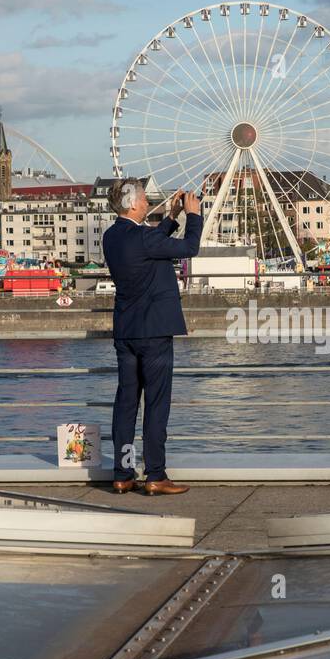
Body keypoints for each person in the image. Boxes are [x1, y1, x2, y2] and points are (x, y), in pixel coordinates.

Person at [100, 179, 203, 495]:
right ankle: (155, 474)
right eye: (144, 197)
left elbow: (150, 243)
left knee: (126, 404)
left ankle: (123, 473)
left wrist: (172, 218)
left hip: (126, 332)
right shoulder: (144, 238)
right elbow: (189, 248)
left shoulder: (112, 236)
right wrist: (193, 215)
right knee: (156, 405)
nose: (147, 201)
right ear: (132, 203)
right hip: (154, 332)